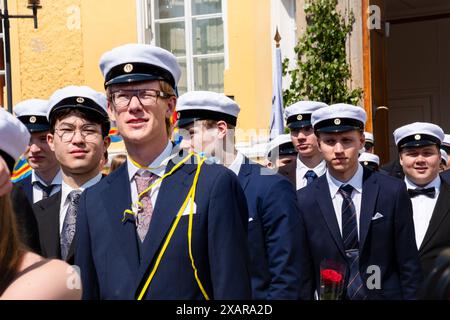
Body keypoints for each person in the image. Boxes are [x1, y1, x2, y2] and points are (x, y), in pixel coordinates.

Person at [75, 43, 251, 300]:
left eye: (146, 93)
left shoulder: (213, 184)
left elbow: (232, 293)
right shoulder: (93, 200)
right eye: (122, 96)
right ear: (111, 111)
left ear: (170, 107)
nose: (134, 106)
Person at [176, 91, 302, 299]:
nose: (184, 144)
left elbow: (286, 276)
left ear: (221, 129)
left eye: (191, 133)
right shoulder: (185, 189)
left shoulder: (270, 188)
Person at [297, 103, 422, 300]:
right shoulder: (304, 200)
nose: (338, 149)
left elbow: (408, 263)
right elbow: (302, 272)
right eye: (330, 141)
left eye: (346, 140)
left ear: (361, 141)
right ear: (319, 144)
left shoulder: (391, 191)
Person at [0, 108, 81, 300]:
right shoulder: (21, 188)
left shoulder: (78, 195)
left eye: (43, 138)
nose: (35, 149)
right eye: (29, 142)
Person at [33, 86, 111, 266]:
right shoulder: (35, 214)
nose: (78, 139)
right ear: (51, 141)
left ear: (105, 143)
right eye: (67, 130)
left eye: (89, 130)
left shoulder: (126, 202)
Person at [394, 122, 450, 278]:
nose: (420, 160)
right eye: (412, 153)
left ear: (439, 157)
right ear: (400, 159)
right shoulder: (382, 198)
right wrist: (375, 290)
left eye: (427, 153)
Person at [14, 99, 62, 203]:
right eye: (27, 140)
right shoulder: (13, 193)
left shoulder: (78, 187)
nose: (34, 149)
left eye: (43, 139)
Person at [284, 101, 328, 190]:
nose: (300, 137)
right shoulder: (278, 174)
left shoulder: (339, 172)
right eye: (294, 130)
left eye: (308, 129)